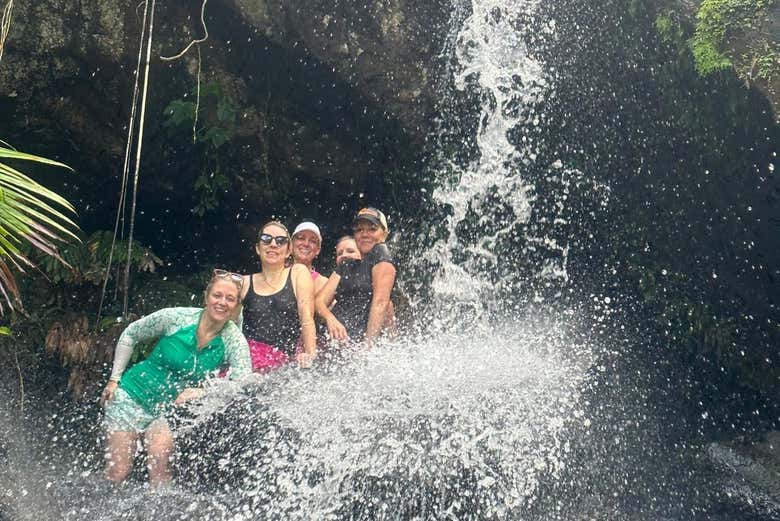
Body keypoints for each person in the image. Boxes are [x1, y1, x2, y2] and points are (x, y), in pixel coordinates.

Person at [100, 270, 251, 486]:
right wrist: (114, 380)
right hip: (132, 396)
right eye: (217, 295)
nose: (222, 302)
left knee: (160, 471)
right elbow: (131, 334)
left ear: (236, 306)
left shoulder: (234, 340)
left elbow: (242, 383)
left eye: (230, 298)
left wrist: (204, 391)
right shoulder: (177, 318)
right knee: (119, 472)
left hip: (169, 411)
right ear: (206, 296)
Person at [241, 220, 317, 371]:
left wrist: (310, 354)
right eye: (266, 239)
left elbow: (307, 318)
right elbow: (228, 326)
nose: (273, 244)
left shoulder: (298, 272)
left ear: (288, 251)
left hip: (280, 364)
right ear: (258, 248)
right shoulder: (243, 282)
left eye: (280, 241)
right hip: (247, 360)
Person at [316, 208, 397, 346]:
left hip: (358, 345)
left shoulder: (381, 253)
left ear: (384, 234)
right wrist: (330, 319)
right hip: (334, 341)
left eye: (372, 229)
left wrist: (368, 347)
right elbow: (319, 302)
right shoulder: (346, 265)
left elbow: (380, 303)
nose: (364, 234)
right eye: (359, 230)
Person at [291, 221, 329, 294]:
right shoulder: (277, 275)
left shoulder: (324, 284)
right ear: (291, 244)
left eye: (312, 241)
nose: (306, 244)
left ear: (318, 250)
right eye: (301, 238)